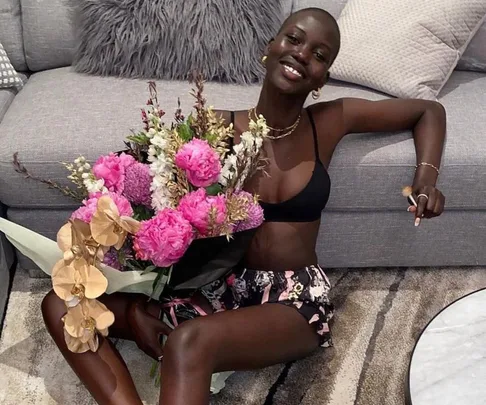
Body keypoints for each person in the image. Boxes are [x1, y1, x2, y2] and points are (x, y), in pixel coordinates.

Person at [40, 7, 446, 405]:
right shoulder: (210, 129)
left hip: (292, 300)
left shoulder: (330, 120)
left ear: (322, 78)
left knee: (188, 343)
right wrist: (130, 309)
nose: (303, 54)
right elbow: (142, 188)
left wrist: (427, 178)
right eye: (294, 39)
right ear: (269, 47)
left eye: (320, 55)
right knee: (61, 304)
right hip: (213, 290)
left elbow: (428, 110)